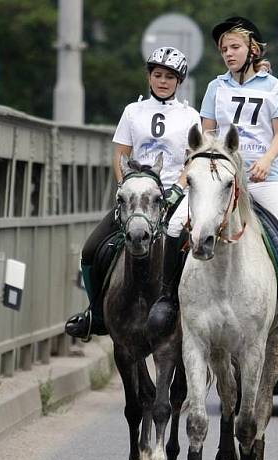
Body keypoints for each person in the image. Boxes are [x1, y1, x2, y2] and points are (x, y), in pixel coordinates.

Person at [64, 47, 201, 340]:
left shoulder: (190, 115)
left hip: (174, 197)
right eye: (157, 75)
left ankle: (197, 316)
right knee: (90, 250)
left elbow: (193, 160)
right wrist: (125, 188)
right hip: (136, 198)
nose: (162, 81)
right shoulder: (132, 111)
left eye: (169, 77)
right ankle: (96, 314)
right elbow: (120, 155)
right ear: (149, 77)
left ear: (179, 81)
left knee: (201, 248)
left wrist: (177, 189)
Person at [198, 16, 278, 347]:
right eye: (223, 49)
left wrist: (266, 160)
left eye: (235, 47)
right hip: (221, 180)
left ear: (252, 49)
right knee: (178, 227)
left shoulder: (275, 88)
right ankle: (168, 300)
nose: (228, 54)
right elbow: (206, 133)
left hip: (263, 177)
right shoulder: (216, 87)